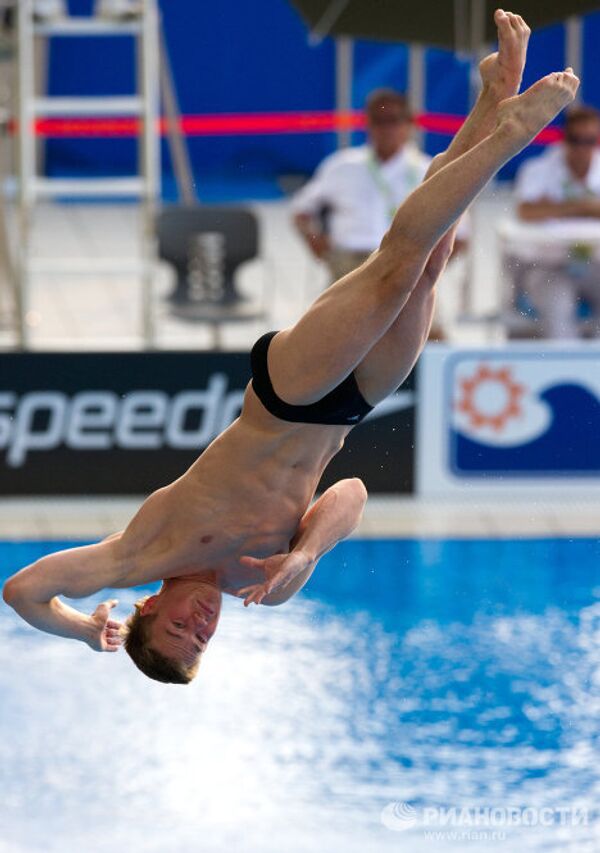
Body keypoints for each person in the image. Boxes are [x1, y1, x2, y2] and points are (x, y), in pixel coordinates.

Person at [2, 10, 578, 684]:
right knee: (428, 263)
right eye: (201, 643)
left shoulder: (140, 553)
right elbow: (353, 492)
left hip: (289, 393)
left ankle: (509, 134)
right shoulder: (266, 584)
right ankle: (493, 93)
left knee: (397, 261)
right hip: (348, 410)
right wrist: (302, 557)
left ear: (148, 607)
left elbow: (20, 590)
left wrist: (80, 629)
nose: (199, 627)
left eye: (178, 629)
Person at [291, 88, 431, 283]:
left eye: (393, 120)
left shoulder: (426, 170)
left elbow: (460, 234)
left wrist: (428, 270)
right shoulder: (341, 165)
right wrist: (317, 244)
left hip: (404, 265)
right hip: (349, 264)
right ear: (368, 124)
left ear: (409, 124)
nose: (386, 128)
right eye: (378, 121)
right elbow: (300, 212)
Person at [511, 105, 600, 338]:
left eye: (589, 140)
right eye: (576, 139)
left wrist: (556, 208)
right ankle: (569, 372)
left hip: (594, 264)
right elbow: (526, 212)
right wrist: (585, 207)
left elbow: (537, 210)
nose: (582, 148)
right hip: (549, 265)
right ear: (564, 139)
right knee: (557, 313)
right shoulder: (539, 169)